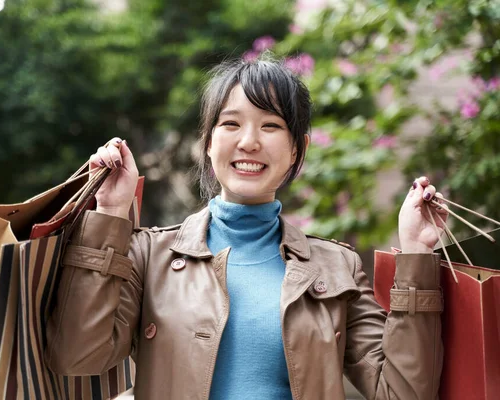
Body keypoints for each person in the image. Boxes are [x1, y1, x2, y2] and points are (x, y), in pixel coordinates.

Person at [45, 58, 445, 400]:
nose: (249, 142)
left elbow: (402, 392)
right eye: (231, 124)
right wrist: (111, 214)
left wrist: (416, 253)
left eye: (270, 126)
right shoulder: (149, 256)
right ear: (208, 141)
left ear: (296, 149)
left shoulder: (336, 267)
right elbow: (78, 355)